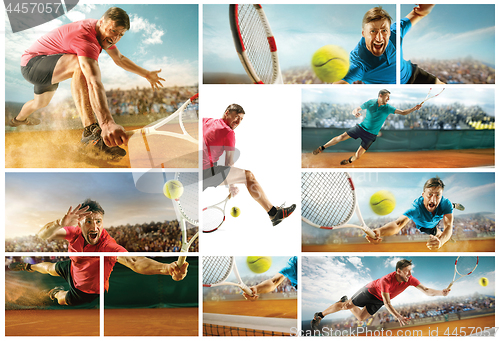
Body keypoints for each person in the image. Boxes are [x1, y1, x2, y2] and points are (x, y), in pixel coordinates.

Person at [12, 7, 165, 160]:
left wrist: (146, 74)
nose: (116, 38)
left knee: (40, 103)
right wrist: (106, 123)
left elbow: (119, 58)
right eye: (113, 31)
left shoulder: (104, 34)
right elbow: (93, 82)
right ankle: (90, 133)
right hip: (33, 65)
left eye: (121, 35)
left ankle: (18, 120)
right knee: (80, 64)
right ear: (101, 22)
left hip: (51, 67)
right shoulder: (86, 38)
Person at [8, 199, 188, 306]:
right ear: (79, 223)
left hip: (86, 291)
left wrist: (167, 269)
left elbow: (134, 261)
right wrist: (59, 223)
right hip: (73, 267)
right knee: (50, 268)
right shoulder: (74, 232)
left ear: (103, 222)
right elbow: (43, 235)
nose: (94, 227)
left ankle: (54, 292)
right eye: (88, 222)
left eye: (98, 221)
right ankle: (29, 267)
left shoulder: (108, 246)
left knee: (61, 299)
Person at [203, 104, 295, 226]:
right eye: (236, 117)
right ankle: (274, 213)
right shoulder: (228, 132)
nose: (238, 121)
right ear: (227, 113)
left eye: (241, 119)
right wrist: (232, 186)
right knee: (248, 176)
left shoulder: (206, 121)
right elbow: (229, 162)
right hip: (206, 173)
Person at [310, 259, 450, 331]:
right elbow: (388, 303)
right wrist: (398, 316)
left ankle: (346, 300)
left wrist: (441, 292)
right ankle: (320, 315)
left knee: (360, 317)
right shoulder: (386, 281)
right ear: (398, 271)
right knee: (346, 306)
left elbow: (425, 290)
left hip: (378, 300)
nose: (410, 274)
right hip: (369, 292)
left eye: (410, 271)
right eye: (407, 271)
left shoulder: (410, 279)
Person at [336, 5, 444, 84]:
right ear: (363, 33)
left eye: (384, 31)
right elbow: (340, 83)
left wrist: (424, 9)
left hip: (413, 74)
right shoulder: (358, 62)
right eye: (373, 31)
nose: (379, 38)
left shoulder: (395, 32)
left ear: (389, 32)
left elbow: (418, 13)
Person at [312, 89, 421, 165]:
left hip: (371, 135)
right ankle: (322, 148)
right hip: (361, 128)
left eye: (389, 97)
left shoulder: (388, 108)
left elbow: (402, 112)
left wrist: (414, 108)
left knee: (358, 155)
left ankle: (349, 161)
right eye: (387, 97)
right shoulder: (370, 102)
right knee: (341, 137)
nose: (388, 99)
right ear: (380, 96)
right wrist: (355, 112)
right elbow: (356, 109)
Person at [366, 177, 464, 251]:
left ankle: (453, 205)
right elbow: (398, 224)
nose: (433, 199)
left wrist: (441, 242)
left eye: (438, 195)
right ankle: (447, 236)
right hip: (425, 225)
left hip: (439, 214)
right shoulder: (415, 208)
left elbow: (448, 227)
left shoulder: (445, 203)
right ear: (423, 195)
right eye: (429, 194)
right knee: (437, 233)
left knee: (448, 207)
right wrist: (380, 231)